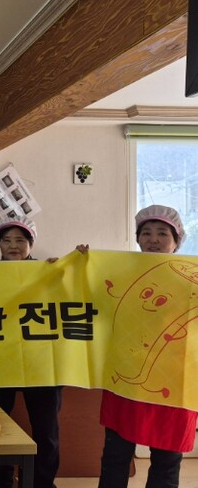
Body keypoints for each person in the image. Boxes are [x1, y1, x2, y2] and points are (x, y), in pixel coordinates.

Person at [94, 205, 197, 488]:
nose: (153, 239)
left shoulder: (193, 279)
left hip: (175, 384)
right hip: (126, 379)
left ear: (177, 241)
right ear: (138, 238)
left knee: (167, 460)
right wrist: (79, 264)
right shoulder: (121, 274)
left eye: (162, 233)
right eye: (146, 233)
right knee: (115, 455)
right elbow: (91, 301)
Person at [0, 215, 61, 488]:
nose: (13, 245)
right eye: (7, 240)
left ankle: (42, 484)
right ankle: (1, 482)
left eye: (20, 240)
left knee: (46, 430)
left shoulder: (49, 272)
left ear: (31, 244)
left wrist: (70, 268)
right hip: (1, 364)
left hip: (42, 365)